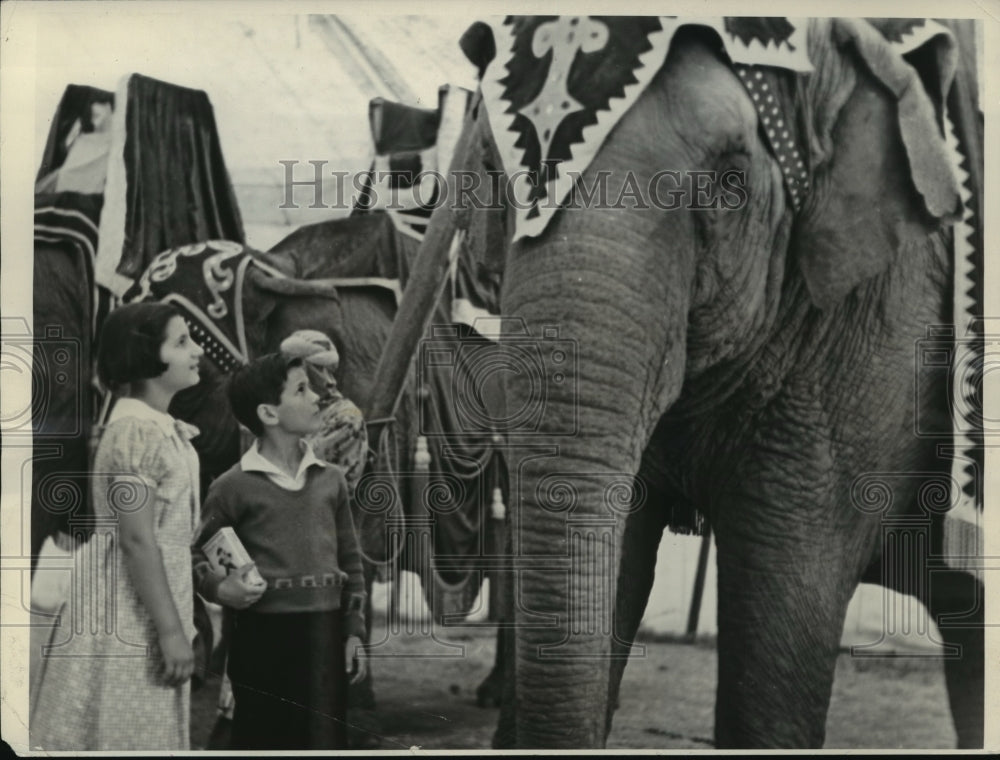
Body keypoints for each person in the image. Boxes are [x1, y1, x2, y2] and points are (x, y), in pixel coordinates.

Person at [30, 302, 205, 751]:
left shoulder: (157, 428)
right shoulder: (136, 432)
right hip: (126, 608)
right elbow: (136, 538)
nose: (198, 350)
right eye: (182, 342)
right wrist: (170, 630)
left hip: (148, 600)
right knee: (122, 726)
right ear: (144, 355)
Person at [192, 353, 368, 750]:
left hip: (325, 635)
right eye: (301, 390)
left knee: (324, 742)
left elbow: (350, 561)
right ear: (269, 413)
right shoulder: (231, 487)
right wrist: (221, 590)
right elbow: (196, 555)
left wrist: (354, 631)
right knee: (264, 739)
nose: (317, 397)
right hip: (261, 639)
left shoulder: (332, 481)